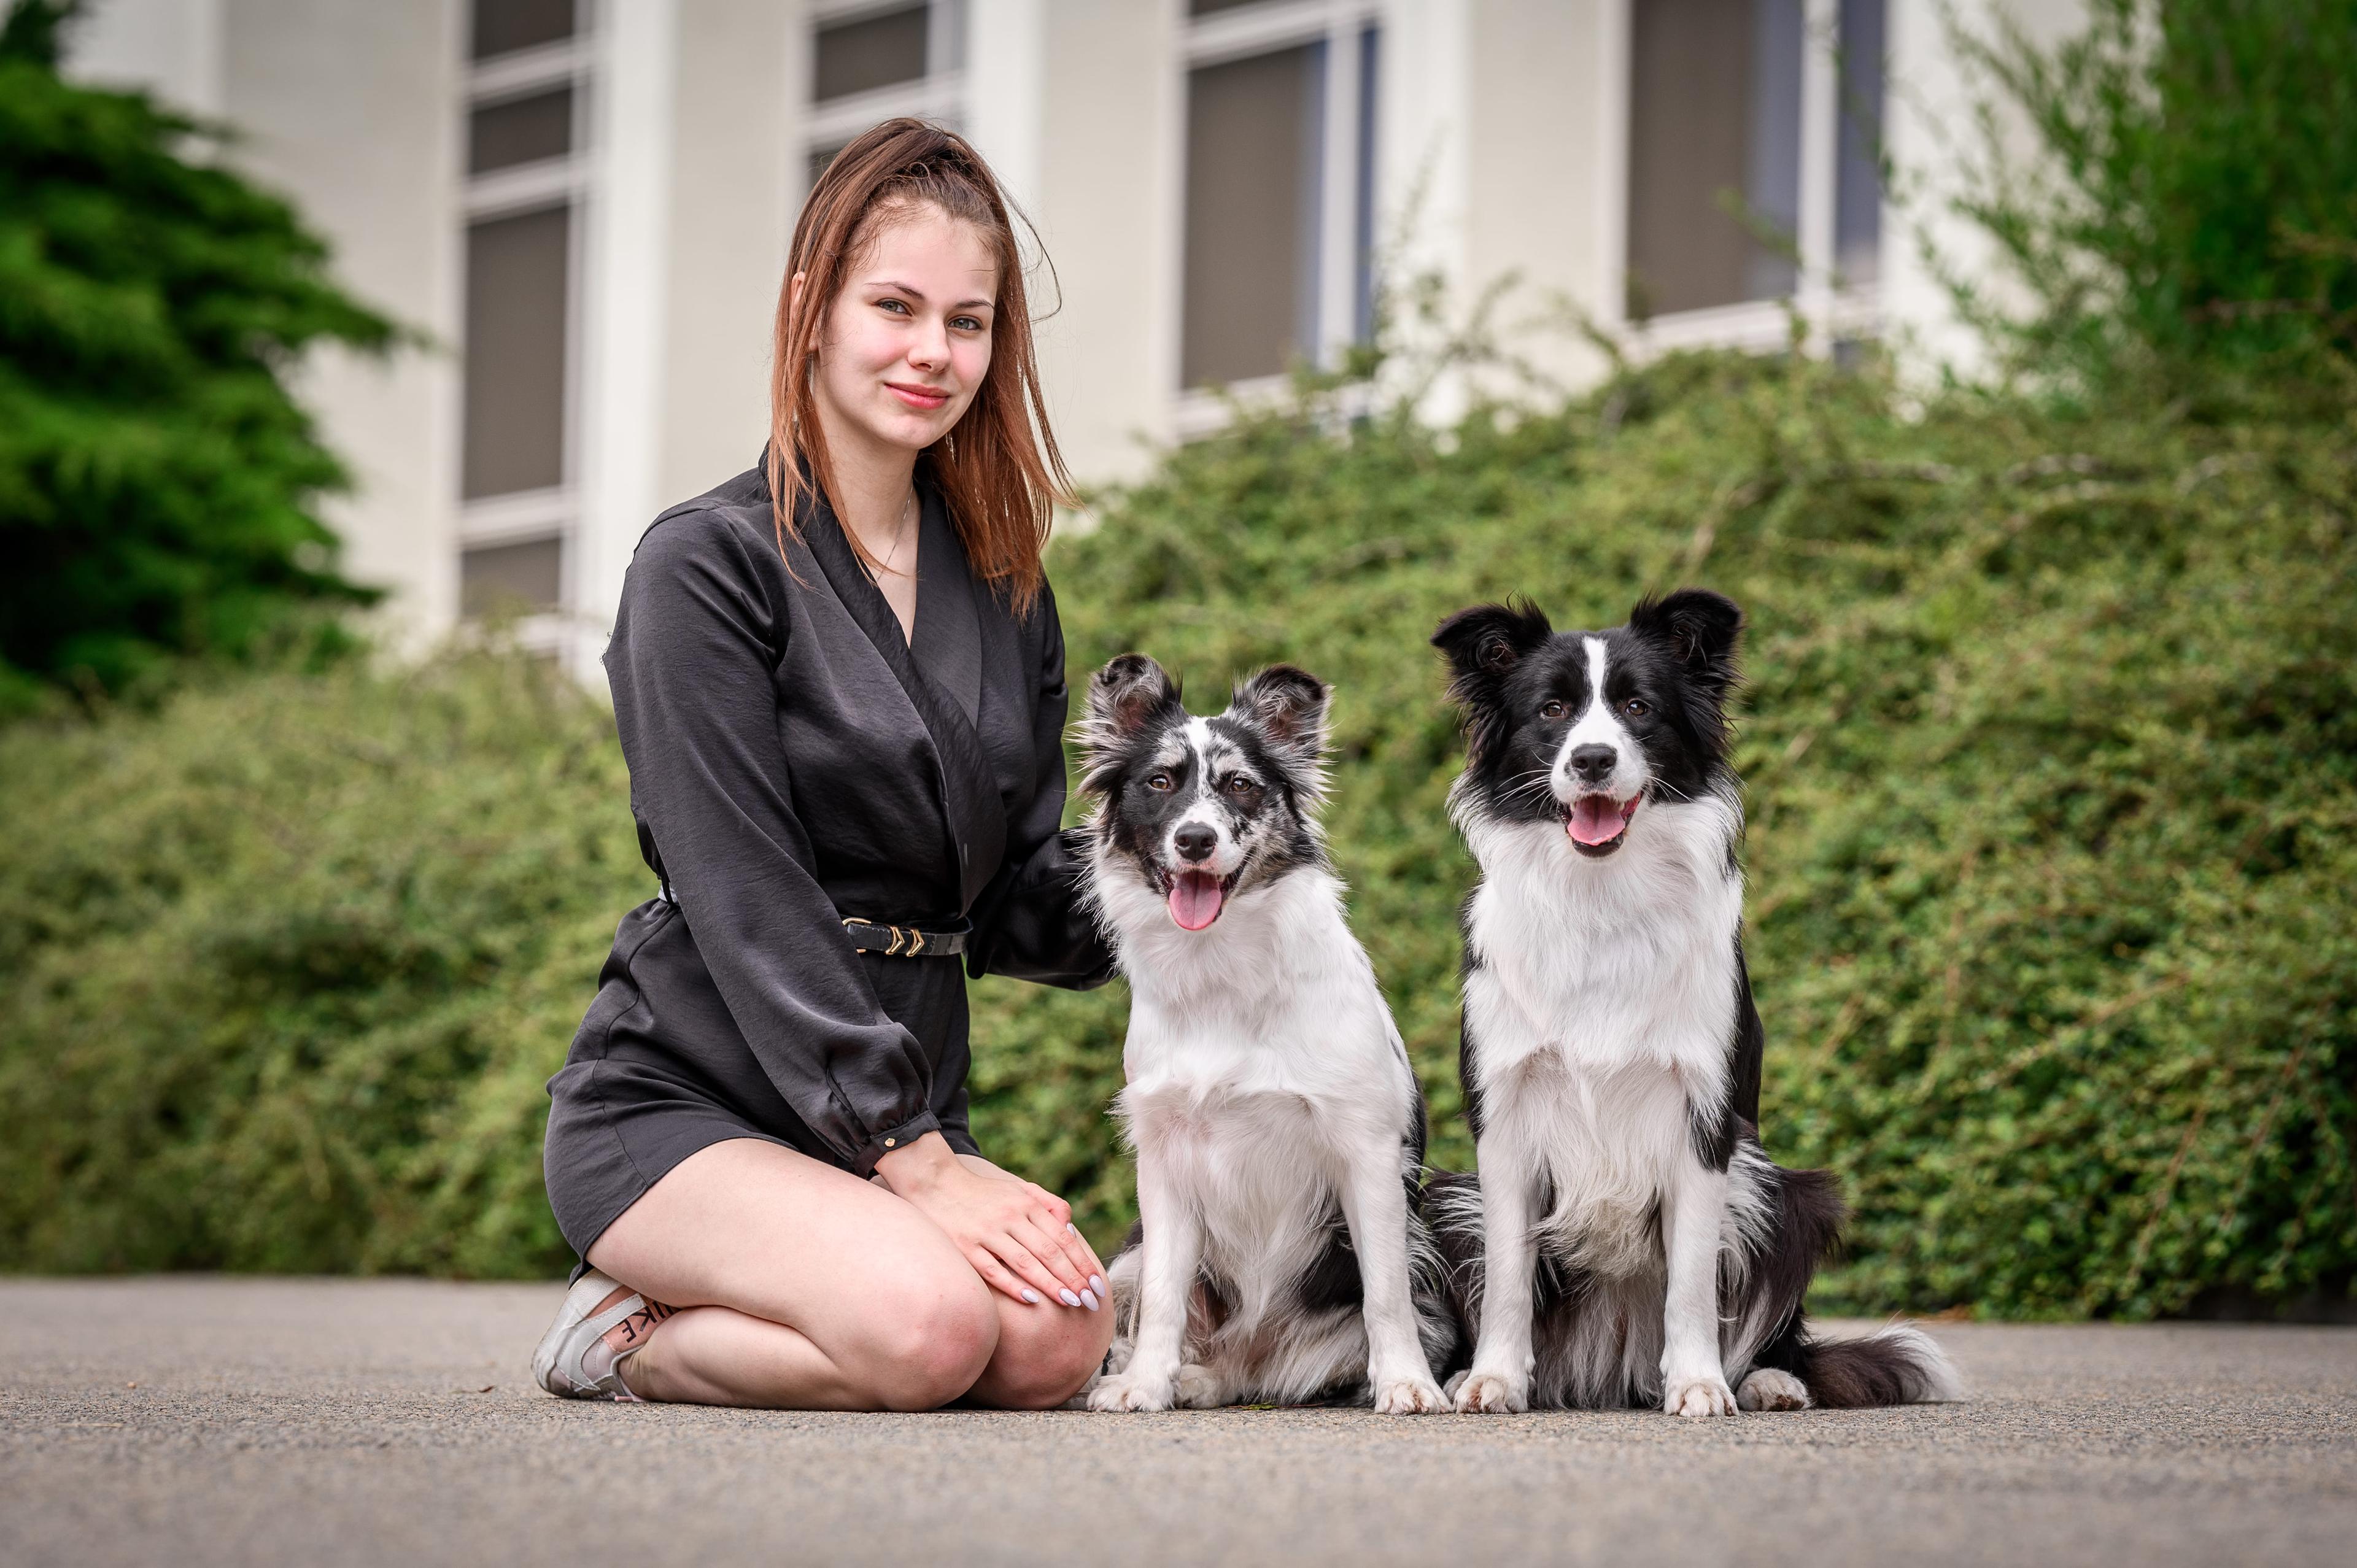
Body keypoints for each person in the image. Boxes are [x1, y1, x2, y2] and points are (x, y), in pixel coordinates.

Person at [530, 118, 1120, 1411]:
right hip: (691, 1099)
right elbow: (742, 893)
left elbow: (1016, 895)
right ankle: (627, 1331)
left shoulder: (1008, 591)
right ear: (811, 310)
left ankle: (845, 1272)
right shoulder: (705, 566)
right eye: (895, 307)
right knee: (926, 1335)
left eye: (968, 323)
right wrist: (914, 1156)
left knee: (1059, 1340)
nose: (933, 352)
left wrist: (1192, 883)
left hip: (900, 1111)